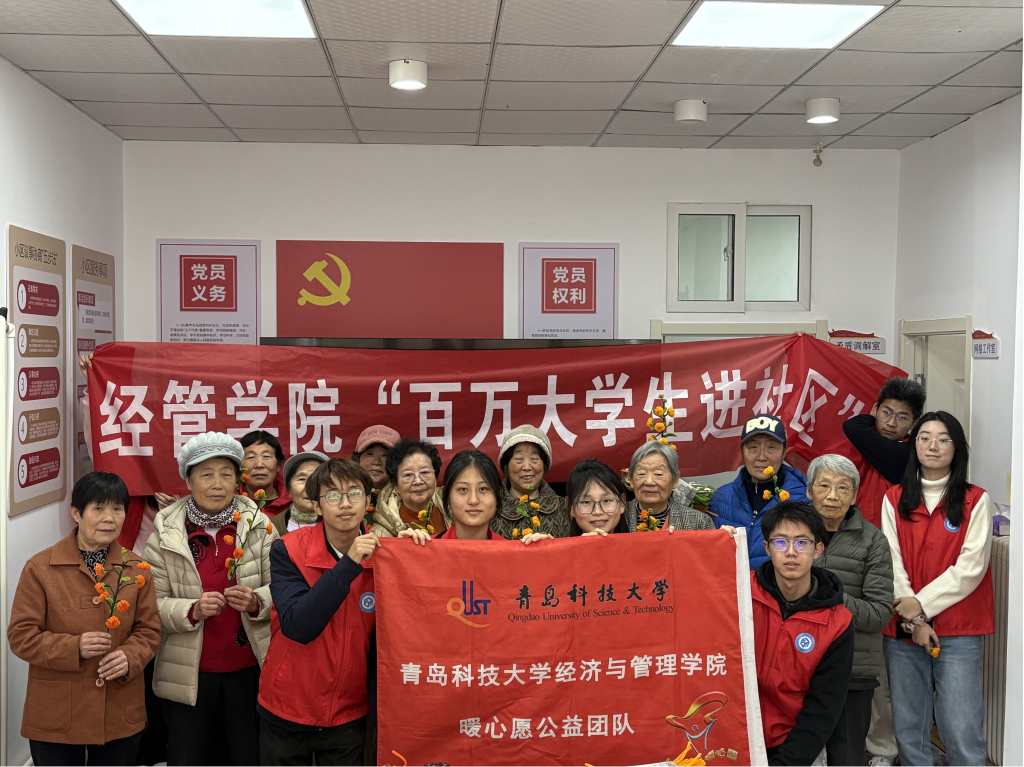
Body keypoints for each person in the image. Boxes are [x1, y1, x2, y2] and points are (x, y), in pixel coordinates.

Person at [8, 472, 161, 767]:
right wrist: (74, 647)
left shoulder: (137, 569)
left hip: (118, 709)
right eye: (98, 508)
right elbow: (21, 636)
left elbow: (150, 630)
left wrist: (130, 656)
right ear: (76, 513)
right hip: (56, 713)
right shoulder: (40, 568)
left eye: (117, 509)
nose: (109, 518)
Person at [144, 432, 276, 767]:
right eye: (206, 475)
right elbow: (150, 605)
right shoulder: (166, 532)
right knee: (190, 756)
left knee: (250, 756)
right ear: (189, 482)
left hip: (250, 668)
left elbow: (283, 589)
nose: (217, 484)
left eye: (226, 474)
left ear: (237, 480)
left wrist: (257, 601)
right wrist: (191, 609)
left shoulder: (260, 525)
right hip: (188, 672)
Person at [881, 412, 993, 767]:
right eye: (925, 438)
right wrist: (913, 619)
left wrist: (919, 607)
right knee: (909, 724)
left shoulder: (976, 499)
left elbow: (970, 568)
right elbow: (890, 562)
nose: (933, 445)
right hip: (904, 626)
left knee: (960, 726)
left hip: (959, 627)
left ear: (957, 448)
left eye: (944, 439)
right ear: (914, 445)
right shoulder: (894, 498)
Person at [258, 459, 380, 766]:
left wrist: (415, 549)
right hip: (288, 704)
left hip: (348, 711)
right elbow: (298, 626)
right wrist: (349, 564)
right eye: (333, 495)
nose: (345, 503)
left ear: (368, 500)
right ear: (316, 505)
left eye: (354, 493)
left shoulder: (384, 556)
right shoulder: (287, 550)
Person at [842, 376, 925, 767]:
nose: (891, 422)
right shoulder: (857, 449)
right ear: (875, 410)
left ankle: (885, 749)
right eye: (886, 412)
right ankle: (857, 744)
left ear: (915, 424)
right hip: (849, 565)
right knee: (855, 663)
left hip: (895, 573)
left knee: (890, 670)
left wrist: (867, 421)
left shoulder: (911, 456)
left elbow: (854, 425)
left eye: (902, 417)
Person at [751, 501, 855, 767]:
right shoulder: (741, 592)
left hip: (795, 744)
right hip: (736, 735)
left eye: (802, 543)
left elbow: (823, 709)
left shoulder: (838, 623)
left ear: (818, 550)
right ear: (767, 548)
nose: (791, 552)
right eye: (780, 542)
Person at [806, 455, 894, 767]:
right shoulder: (793, 534)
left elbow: (879, 614)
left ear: (854, 496)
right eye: (824, 486)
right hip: (799, 667)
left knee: (847, 758)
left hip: (853, 670)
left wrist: (832, 596)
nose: (833, 495)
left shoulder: (873, 541)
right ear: (809, 491)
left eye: (843, 488)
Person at [710, 415, 807, 568]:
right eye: (753, 447)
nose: (762, 457)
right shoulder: (718, 499)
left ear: (784, 453)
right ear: (742, 452)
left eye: (771, 447)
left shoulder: (804, 500)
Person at [401, 450, 505, 543]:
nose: (473, 500)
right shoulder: (427, 549)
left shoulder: (510, 552)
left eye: (483, 489)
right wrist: (402, 549)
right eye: (463, 489)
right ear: (445, 496)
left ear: (498, 494)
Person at [491, 425, 569, 539]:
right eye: (518, 459)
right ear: (506, 466)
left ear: (544, 465)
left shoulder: (564, 508)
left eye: (534, 459)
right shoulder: (491, 508)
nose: (527, 467)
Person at [626, 441, 714, 532]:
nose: (649, 482)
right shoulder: (619, 518)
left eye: (659, 474)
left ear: (675, 480)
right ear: (631, 480)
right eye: (641, 473)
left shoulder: (699, 522)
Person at [370, 438, 450, 537]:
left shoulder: (454, 511)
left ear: (435, 478)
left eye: (425, 472)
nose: (418, 481)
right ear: (396, 485)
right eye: (408, 475)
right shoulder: (379, 534)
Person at [566, 459, 630, 536]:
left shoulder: (640, 543)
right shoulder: (557, 544)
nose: (597, 512)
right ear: (570, 507)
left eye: (606, 500)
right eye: (586, 502)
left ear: (622, 503)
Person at [272, 450, 329, 536]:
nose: (309, 487)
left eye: (317, 479)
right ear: (289, 490)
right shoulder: (273, 527)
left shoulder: (341, 525)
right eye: (302, 479)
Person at [240, 430, 291, 518]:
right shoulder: (229, 501)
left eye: (266, 456)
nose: (259, 464)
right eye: (251, 457)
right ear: (240, 465)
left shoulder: (293, 502)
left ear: (278, 465)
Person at [352, 424, 400, 510]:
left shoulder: (407, 499)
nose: (376, 462)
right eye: (370, 454)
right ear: (357, 460)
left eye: (385, 455)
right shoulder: (345, 496)